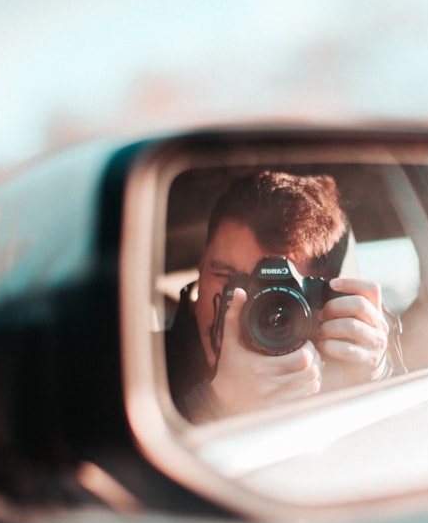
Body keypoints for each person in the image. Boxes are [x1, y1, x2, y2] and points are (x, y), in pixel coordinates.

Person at [166, 171, 393, 423]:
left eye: (275, 292)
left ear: (319, 301)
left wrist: (375, 376)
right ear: (201, 271)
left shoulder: (336, 367)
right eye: (224, 276)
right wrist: (213, 402)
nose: (243, 305)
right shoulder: (137, 366)